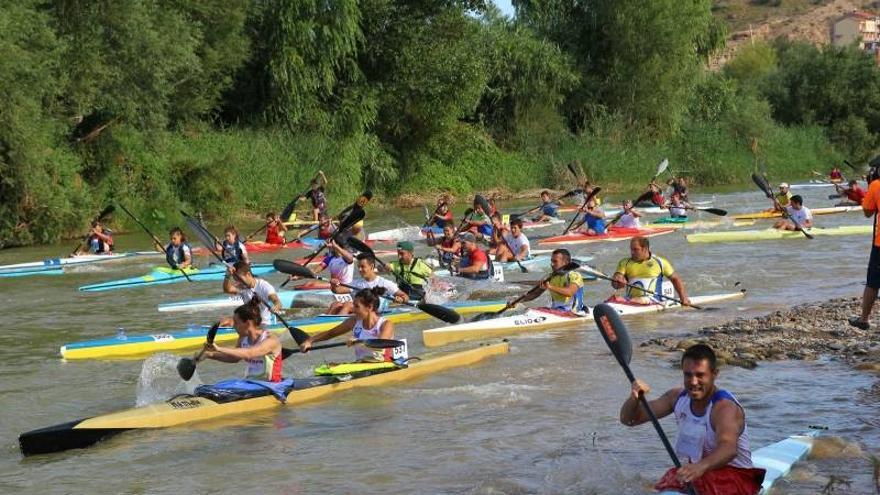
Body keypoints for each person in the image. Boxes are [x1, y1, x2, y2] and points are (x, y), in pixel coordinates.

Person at [619, 344, 765, 494]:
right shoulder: (677, 397)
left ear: (714, 374)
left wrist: (700, 466)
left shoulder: (724, 408)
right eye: (688, 375)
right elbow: (629, 419)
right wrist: (634, 397)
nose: (693, 382)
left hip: (737, 477)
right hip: (699, 474)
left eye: (700, 375)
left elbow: (728, 449)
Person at [299, 288, 397, 363]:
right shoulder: (354, 321)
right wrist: (310, 340)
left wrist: (359, 341)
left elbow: (379, 344)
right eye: (353, 305)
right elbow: (331, 333)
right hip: (361, 364)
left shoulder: (385, 324)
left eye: (357, 306)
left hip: (383, 364)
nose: (353, 310)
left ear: (369, 307)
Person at [204, 299, 284, 382]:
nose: (233, 326)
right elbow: (234, 358)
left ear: (247, 323)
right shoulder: (243, 339)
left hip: (271, 385)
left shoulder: (270, 339)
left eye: (236, 323)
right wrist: (210, 355)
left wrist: (219, 349)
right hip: (251, 383)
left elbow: (250, 353)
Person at [610, 236, 690, 306]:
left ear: (645, 249)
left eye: (635, 249)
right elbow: (616, 280)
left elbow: (675, 279)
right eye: (631, 249)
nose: (632, 252)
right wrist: (618, 281)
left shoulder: (660, 262)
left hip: (653, 300)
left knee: (627, 300)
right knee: (613, 299)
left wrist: (683, 297)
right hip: (630, 300)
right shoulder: (625, 262)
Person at [850, 166, 880, 330]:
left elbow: (868, 212)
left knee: (873, 282)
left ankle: (864, 319)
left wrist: (871, 187)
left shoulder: (876, 185)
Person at [327, 253, 406, 315]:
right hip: (361, 310)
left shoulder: (385, 283)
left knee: (348, 305)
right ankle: (320, 324)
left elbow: (404, 296)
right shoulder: (357, 283)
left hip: (377, 311)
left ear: (371, 266)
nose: (360, 269)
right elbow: (337, 290)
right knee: (336, 304)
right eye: (358, 267)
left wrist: (401, 299)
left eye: (362, 266)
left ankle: (333, 326)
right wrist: (333, 284)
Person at [223, 261, 281, 326]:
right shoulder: (242, 287)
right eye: (236, 279)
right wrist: (227, 275)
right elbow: (227, 289)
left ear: (248, 274)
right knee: (225, 322)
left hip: (263, 324)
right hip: (248, 322)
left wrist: (276, 307)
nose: (238, 282)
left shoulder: (264, 286)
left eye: (239, 279)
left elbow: (277, 301)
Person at [540, 249, 586, 314]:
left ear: (566, 262)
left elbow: (569, 292)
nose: (552, 264)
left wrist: (550, 287)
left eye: (555, 261)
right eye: (551, 261)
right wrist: (541, 288)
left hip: (572, 312)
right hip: (556, 310)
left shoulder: (575, 275)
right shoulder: (552, 276)